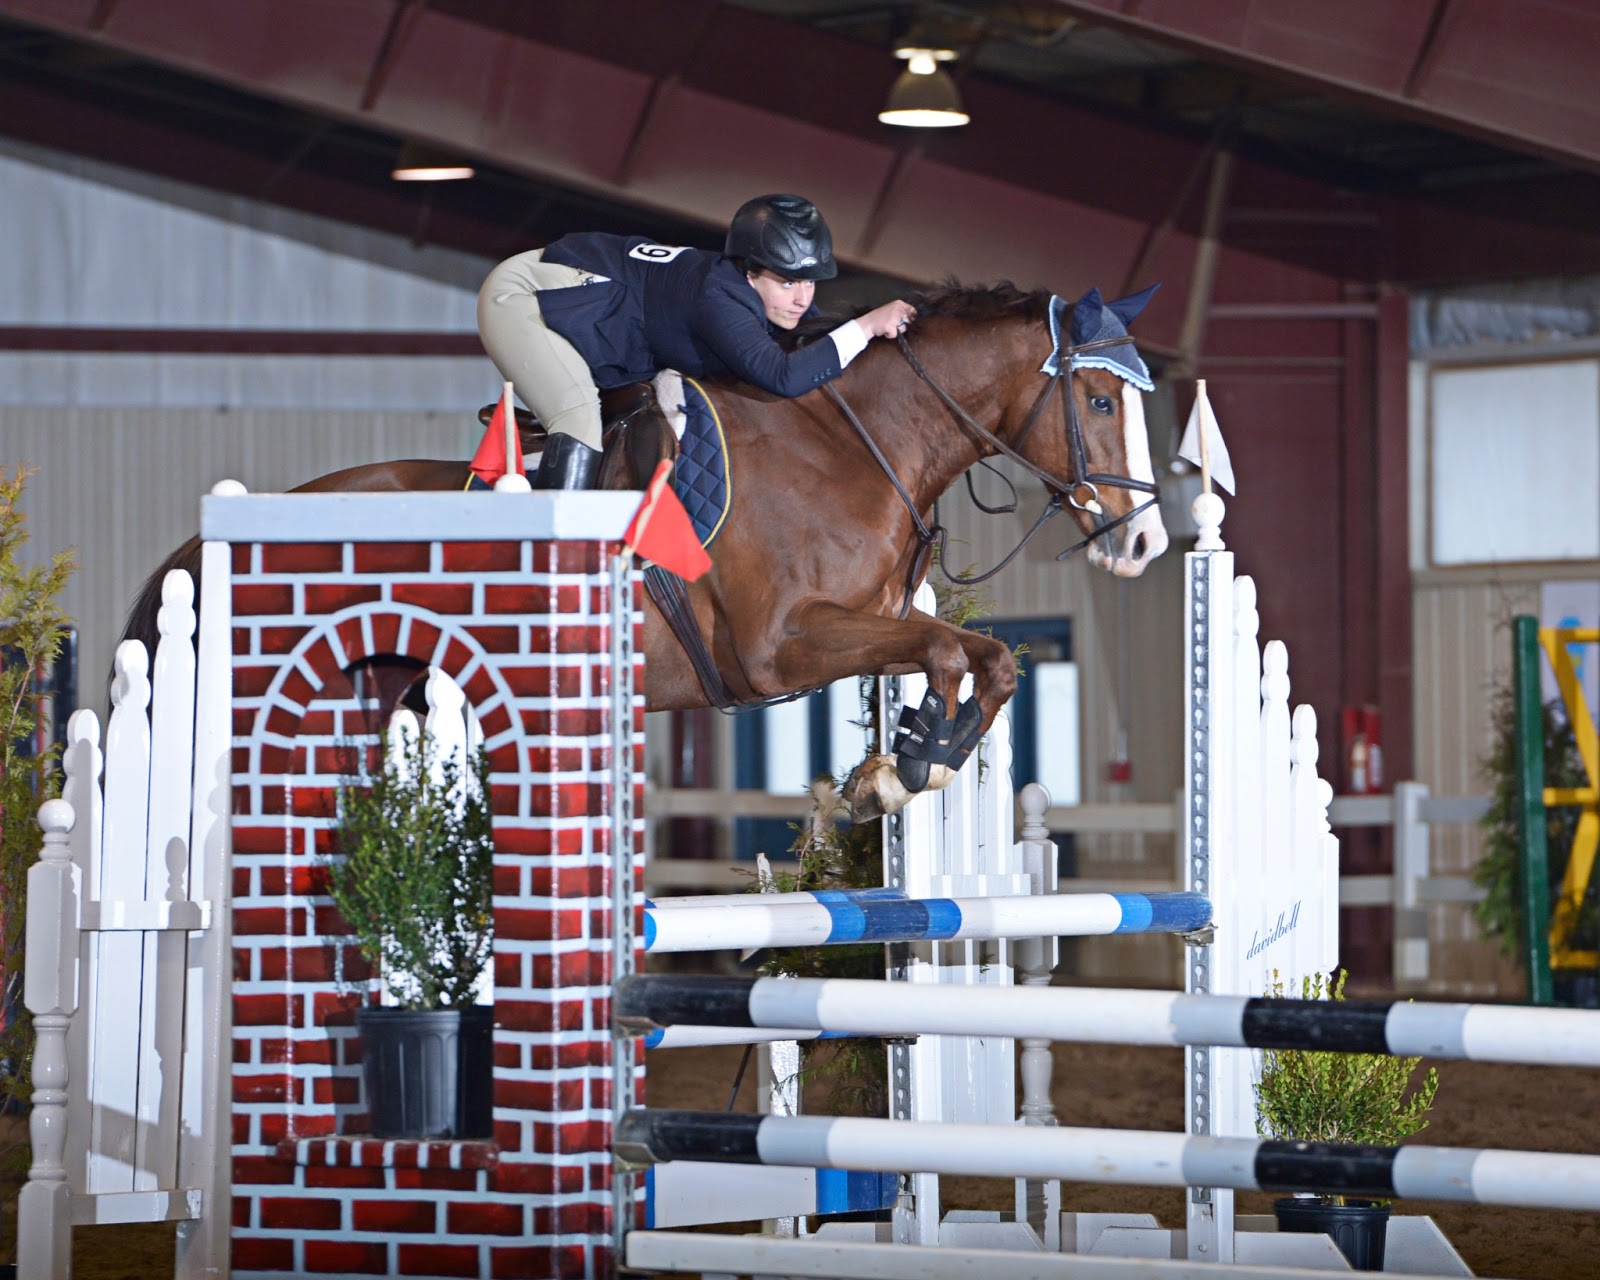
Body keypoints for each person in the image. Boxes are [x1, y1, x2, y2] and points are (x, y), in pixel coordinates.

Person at [476, 194, 918, 489]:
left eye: (809, 282)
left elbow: (817, 350)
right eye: (788, 283)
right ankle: (556, 561)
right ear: (750, 272)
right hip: (526, 294)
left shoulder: (770, 297)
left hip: (600, 298)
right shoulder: (718, 297)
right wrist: (866, 326)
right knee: (577, 418)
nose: (802, 299)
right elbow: (783, 376)